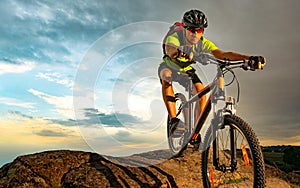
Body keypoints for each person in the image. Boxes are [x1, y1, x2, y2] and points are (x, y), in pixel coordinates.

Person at [158, 9, 266, 136]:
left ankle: (195, 131)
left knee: (201, 93)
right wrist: (181, 50)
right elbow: (170, 48)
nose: (195, 34)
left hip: (186, 70)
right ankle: (174, 121)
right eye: (192, 30)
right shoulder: (175, 36)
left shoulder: (202, 43)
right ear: (185, 29)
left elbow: (223, 54)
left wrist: (248, 58)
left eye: (199, 30)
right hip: (170, 66)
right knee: (166, 77)